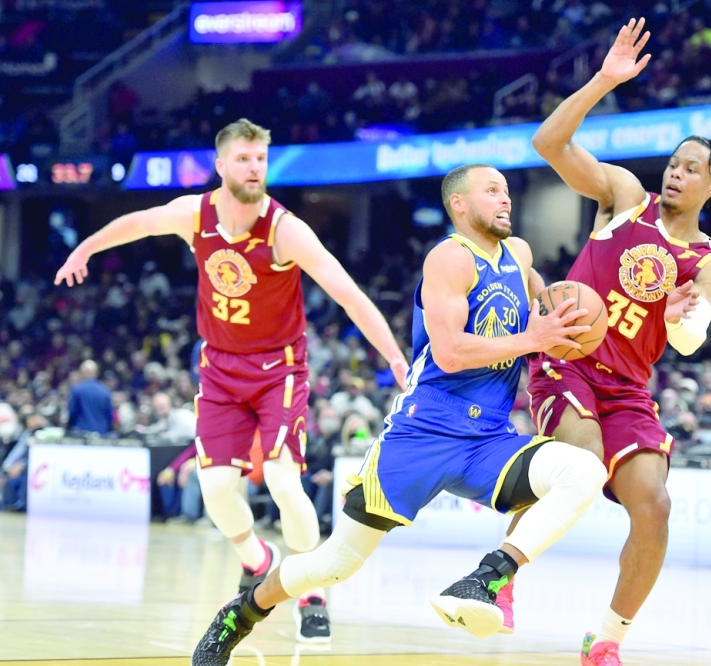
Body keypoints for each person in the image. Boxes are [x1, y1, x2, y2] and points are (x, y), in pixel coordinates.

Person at [189, 164, 660, 666]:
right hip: (426, 430)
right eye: (492, 191)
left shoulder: (519, 255)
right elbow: (451, 353)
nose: (505, 199)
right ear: (459, 204)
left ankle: (487, 579)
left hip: (488, 438)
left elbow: (551, 312)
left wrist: (643, 314)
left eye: (506, 191)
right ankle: (238, 615)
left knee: (583, 469)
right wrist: (532, 339)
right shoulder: (449, 258)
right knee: (335, 563)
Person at [55, 118, 409, 644]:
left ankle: (311, 592)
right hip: (220, 367)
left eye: (260, 159)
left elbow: (348, 294)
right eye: (243, 159)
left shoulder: (284, 229)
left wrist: (396, 359)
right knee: (216, 490)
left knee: (284, 482)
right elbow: (138, 223)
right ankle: (258, 559)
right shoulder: (194, 214)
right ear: (221, 165)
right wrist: (85, 248)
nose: (254, 168)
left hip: (277, 367)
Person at [525, 18, 711, 666]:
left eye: (691, 169)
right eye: (673, 163)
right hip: (568, 360)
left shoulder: (707, 263)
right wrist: (603, 80)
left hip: (626, 388)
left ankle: (608, 639)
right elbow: (547, 142)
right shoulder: (624, 196)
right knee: (583, 461)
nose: (676, 174)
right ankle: (499, 570)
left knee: (656, 507)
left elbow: (691, 338)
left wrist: (681, 318)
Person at [67, 360, 114, 435]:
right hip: (101, 434)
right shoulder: (105, 391)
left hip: (80, 434)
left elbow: (72, 413)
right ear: (96, 373)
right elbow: (110, 416)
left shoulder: (77, 390)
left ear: (82, 373)